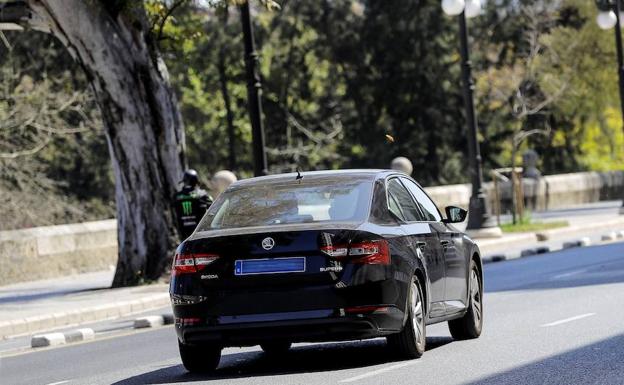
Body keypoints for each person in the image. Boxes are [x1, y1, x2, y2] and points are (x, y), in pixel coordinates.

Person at [174, 169, 213, 239]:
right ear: (195, 182)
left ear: (184, 182)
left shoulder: (176, 196)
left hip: (183, 234)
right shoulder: (202, 194)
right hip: (199, 233)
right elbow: (213, 206)